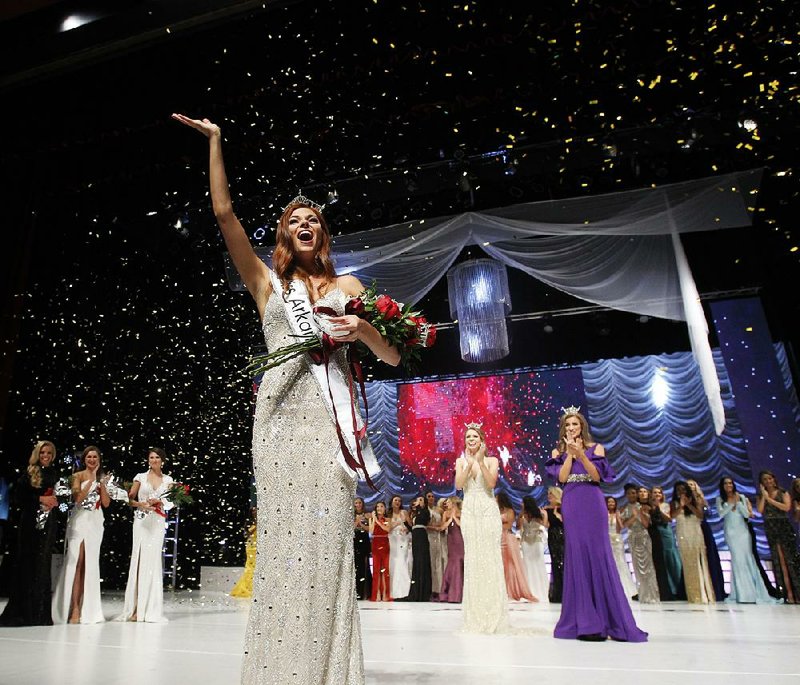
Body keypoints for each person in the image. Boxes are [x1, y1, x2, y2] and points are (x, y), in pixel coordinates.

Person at [173, 113, 400, 684]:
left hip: (328, 431)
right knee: (283, 552)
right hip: (277, 428)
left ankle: (326, 670)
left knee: (324, 548)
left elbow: (393, 356)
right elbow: (224, 215)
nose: (305, 225)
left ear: (322, 234)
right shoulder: (265, 283)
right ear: (283, 235)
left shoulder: (348, 289)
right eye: (294, 220)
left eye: (313, 219)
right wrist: (218, 142)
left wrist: (361, 332)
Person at [545, 408, 647, 642]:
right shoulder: (557, 451)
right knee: (577, 555)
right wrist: (570, 454)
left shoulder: (596, 448)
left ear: (582, 426)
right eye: (567, 425)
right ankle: (586, 622)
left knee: (599, 554)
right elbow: (561, 479)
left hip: (592, 500)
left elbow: (596, 477)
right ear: (564, 428)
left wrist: (581, 454)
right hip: (571, 499)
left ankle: (611, 619)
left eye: (575, 424)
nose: (571, 428)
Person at [0, 441, 63, 626]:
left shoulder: (54, 473)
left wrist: (55, 502)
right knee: (27, 562)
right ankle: (24, 611)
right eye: (43, 452)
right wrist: (40, 499)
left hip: (48, 523)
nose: (46, 455)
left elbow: (59, 496)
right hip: (29, 523)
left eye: (49, 452)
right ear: (38, 453)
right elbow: (19, 498)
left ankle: (40, 613)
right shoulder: (29, 472)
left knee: (43, 564)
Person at [455, 423, 509, 633]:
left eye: (475, 436)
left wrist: (480, 462)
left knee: (490, 559)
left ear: (482, 439)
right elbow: (459, 485)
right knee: (473, 559)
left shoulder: (492, 460)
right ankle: (475, 614)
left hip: (487, 511)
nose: (471, 439)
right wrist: (469, 464)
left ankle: (493, 613)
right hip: (470, 511)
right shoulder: (460, 461)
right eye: (468, 436)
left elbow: (492, 483)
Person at [52, 445, 111, 624]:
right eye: (89, 457)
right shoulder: (77, 476)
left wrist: (102, 485)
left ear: (99, 459)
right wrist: (91, 481)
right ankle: (74, 607)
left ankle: (88, 608)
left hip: (96, 521)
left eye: (95, 457)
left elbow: (106, 503)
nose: (92, 460)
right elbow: (77, 499)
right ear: (84, 459)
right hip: (80, 520)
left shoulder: (103, 477)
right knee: (77, 562)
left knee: (89, 564)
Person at [117, 448, 174, 622]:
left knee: (153, 562)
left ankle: (149, 607)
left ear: (162, 460)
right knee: (139, 561)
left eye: (157, 457)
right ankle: (135, 609)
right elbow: (129, 499)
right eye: (151, 457)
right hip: (141, 523)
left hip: (157, 524)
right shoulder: (140, 477)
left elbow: (171, 502)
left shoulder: (168, 480)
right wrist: (141, 505)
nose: (154, 460)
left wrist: (161, 501)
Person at [716, 477, 779, 604]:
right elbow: (721, 514)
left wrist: (739, 503)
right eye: (726, 483)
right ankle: (741, 594)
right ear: (722, 486)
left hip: (743, 532)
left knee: (747, 558)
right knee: (737, 560)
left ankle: (753, 593)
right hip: (731, 532)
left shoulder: (742, 497)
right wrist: (732, 504)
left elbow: (746, 515)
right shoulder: (720, 499)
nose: (728, 485)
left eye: (730, 483)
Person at [756, 470, 800, 603]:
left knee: (790, 559)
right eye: (765, 480)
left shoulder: (783, 492)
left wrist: (770, 499)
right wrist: (764, 496)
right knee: (778, 559)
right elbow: (760, 510)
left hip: (783, 526)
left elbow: (786, 507)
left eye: (770, 478)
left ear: (774, 479)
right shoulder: (760, 496)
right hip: (771, 527)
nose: (768, 481)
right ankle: (786, 594)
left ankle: (796, 593)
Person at [670, 480, 715, 604]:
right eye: (678, 490)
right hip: (682, 533)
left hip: (695, 531)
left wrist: (689, 505)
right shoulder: (674, 503)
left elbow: (700, 516)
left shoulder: (696, 500)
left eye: (683, 489)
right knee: (687, 562)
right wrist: (681, 505)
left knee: (699, 560)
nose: (681, 492)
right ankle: (693, 594)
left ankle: (704, 593)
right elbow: (672, 516)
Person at [687, 478, 727, 601]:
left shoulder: (701, 499)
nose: (691, 486)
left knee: (709, 555)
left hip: (702, 527)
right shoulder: (683, 500)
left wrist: (699, 504)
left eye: (692, 484)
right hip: (690, 529)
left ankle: (714, 587)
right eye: (688, 485)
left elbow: (706, 514)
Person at [620, 484, 660, 604]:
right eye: (629, 493)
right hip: (632, 537)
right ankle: (643, 595)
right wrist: (633, 516)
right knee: (637, 566)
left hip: (644, 536)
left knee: (648, 566)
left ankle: (652, 595)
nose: (632, 495)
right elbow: (623, 526)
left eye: (633, 493)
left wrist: (640, 513)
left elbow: (647, 524)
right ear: (626, 495)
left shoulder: (644, 507)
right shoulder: (624, 508)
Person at [497, 492, 537, 602]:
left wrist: (497, 523)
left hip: (508, 537)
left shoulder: (510, 511)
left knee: (511, 564)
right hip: (499, 537)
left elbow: (508, 524)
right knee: (502, 565)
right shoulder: (498, 511)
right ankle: (503, 589)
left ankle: (512, 590)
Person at [648, 485, 685, 600]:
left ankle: (678, 588)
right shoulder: (648, 507)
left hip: (666, 532)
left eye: (659, 493)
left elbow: (669, 519)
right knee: (660, 560)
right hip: (654, 534)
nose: (657, 495)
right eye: (655, 492)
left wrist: (658, 507)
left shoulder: (665, 505)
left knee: (670, 557)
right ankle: (667, 588)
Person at [519, 495, 550, 603]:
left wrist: (545, 515)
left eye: (522, 502)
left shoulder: (539, 514)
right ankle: (529, 591)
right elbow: (519, 527)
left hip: (536, 541)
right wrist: (522, 513)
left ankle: (542, 591)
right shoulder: (522, 514)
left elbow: (545, 525)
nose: (520, 504)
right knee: (527, 565)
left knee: (538, 564)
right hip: (525, 541)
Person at [606, 496, 637, 600]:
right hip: (607, 539)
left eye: (612, 502)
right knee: (609, 563)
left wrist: (618, 517)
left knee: (620, 562)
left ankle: (624, 588)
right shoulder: (603, 514)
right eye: (609, 502)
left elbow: (621, 527)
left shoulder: (618, 514)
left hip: (617, 539)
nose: (611, 504)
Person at [438, 497, 464, 603]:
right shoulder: (445, 514)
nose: (446, 504)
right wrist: (449, 520)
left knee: (460, 561)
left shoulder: (462, 512)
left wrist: (455, 518)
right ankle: (448, 593)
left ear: (453, 503)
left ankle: (459, 593)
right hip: (451, 539)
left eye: (448, 502)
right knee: (452, 562)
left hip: (460, 539)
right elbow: (442, 528)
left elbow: (463, 525)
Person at [408, 495, 432, 601]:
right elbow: (413, 528)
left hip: (422, 536)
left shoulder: (425, 512)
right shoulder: (415, 513)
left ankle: (423, 592)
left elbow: (423, 521)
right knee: (417, 562)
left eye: (421, 500)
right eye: (418, 500)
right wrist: (405, 523)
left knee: (422, 561)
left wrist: (421, 508)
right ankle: (416, 591)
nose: (419, 501)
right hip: (415, 537)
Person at [388, 495, 412, 600]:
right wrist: (396, 523)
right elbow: (387, 528)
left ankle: (405, 590)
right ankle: (394, 590)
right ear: (392, 502)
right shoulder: (388, 514)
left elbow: (410, 525)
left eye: (399, 500)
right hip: (393, 539)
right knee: (393, 562)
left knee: (403, 561)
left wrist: (406, 528)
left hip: (403, 539)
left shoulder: (404, 512)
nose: (397, 502)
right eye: (395, 500)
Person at [231, 508, 258, 599]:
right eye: (253, 511)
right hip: (251, 547)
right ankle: (247, 588)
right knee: (250, 567)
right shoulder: (249, 522)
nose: (255, 512)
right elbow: (246, 534)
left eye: (256, 510)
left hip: (259, 546)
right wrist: (255, 526)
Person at [544, 486, 565, 603]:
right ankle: (557, 594)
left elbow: (566, 522)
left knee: (564, 563)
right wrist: (544, 514)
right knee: (555, 562)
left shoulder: (564, 508)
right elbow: (546, 525)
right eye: (548, 494)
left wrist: (557, 513)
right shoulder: (547, 510)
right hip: (552, 537)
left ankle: (567, 592)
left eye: (551, 494)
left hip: (563, 536)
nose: (549, 496)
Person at [425, 491, 447, 600]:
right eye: (429, 496)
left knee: (439, 563)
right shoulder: (424, 511)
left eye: (432, 496)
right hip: (429, 536)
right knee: (431, 562)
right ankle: (431, 589)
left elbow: (443, 523)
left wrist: (438, 527)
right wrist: (434, 527)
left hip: (439, 537)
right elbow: (425, 525)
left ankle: (439, 589)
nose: (431, 498)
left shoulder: (439, 510)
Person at [369, 501, 391, 601]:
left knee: (385, 570)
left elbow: (387, 529)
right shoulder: (372, 519)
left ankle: (386, 594)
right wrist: (374, 519)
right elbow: (371, 531)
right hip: (375, 543)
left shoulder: (387, 519)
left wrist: (379, 522)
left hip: (385, 543)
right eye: (377, 506)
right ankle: (376, 594)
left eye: (381, 506)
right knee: (376, 569)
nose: (379, 508)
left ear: (385, 508)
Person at [353, 497, 372, 600]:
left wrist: (361, 524)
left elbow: (370, 529)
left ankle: (365, 592)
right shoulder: (351, 515)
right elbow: (350, 528)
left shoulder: (367, 515)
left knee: (365, 565)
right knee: (356, 566)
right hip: (355, 540)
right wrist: (356, 521)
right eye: (356, 503)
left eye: (359, 502)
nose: (358, 505)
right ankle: (356, 592)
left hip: (364, 540)